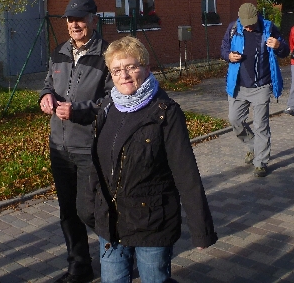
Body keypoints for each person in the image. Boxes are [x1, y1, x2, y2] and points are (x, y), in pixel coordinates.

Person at [88, 36, 217, 283]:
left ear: (147, 68)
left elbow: (186, 175)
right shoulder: (107, 107)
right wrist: (87, 208)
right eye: (117, 70)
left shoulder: (166, 113)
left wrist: (201, 231)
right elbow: (97, 163)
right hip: (111, 223)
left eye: (131, 67)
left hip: (152, 223)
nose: (124, 75)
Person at [40, 0, 112, 283]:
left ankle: (116, 258)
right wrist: (45, 96)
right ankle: (79, 267)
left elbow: (113, 101)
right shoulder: (58, 52)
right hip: (59, 146)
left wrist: (81, 111)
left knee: (93, 210)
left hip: (90, 147)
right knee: (68, 210)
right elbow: (48, 83)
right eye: (70, 19)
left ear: (94, 20)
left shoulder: (108, 55)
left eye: (80, 18)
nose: (74, 24)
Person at [221, 3, 289, 177]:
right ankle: (253, 146)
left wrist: (278, 45)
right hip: (238, 84)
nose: (247, 27)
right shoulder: (233, 28)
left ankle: (261, 162)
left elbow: (285, 50)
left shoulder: (269, 28)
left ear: (257, 17)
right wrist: (228, 56)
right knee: (234, 120)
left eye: (250, 23)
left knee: (261, 125)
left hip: (262, 85)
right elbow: (224, 48)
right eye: (245, 23)